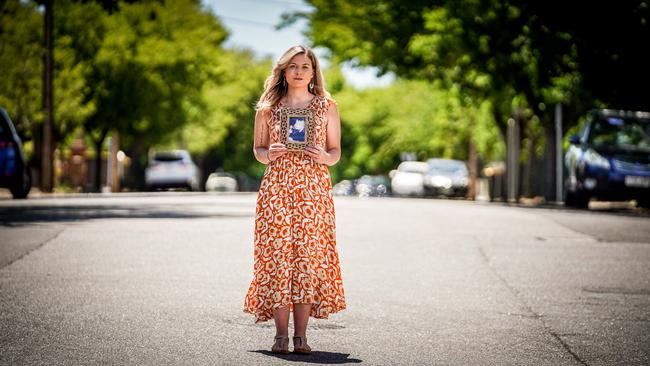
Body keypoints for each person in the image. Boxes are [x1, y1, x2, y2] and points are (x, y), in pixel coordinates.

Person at [243, 45, 346, 355]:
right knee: (278, 259)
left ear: (313, 72)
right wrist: (267, 154)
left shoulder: (327, 106)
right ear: (283, 71)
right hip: (276, 190)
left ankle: (300, 336)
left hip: (313, 191)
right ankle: (279, 336)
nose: (299, 71)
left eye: (305, 66)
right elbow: (258, 150)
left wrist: (325, 157)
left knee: (305, 260)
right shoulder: (267, 108)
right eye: (293, 66)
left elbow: (336, 151)